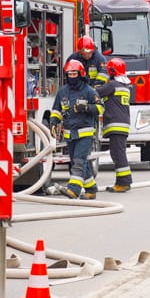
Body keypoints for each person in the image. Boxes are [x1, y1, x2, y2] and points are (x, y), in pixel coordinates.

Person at [50, 59, 103, 200]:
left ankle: (74, 189)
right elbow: (56, 109)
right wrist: (53, 122)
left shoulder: (89, 91)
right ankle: (91, 189)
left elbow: (100, 108)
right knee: (78, 161)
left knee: (79, 160)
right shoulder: (62, 92)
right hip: (69, 134)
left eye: (74, 73)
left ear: (81, 74)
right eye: (69, 74)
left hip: (85, 133)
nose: (72, 76)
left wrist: (86, 108)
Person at [98, 58, 133, 193]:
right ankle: (122, 181)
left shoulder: (112, 85)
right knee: (118, 153)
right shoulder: (124, 85)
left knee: (118, 154)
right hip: (122, 124)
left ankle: (124, 182)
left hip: (116, 124)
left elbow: (97, 93)